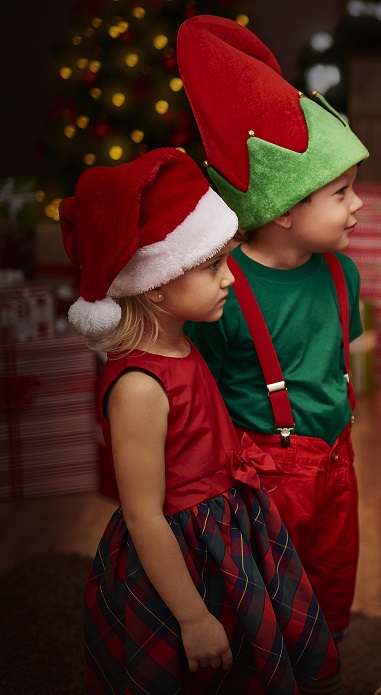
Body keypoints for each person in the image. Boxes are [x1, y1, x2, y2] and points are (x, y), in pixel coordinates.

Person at [62, 148, 341, 693]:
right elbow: (143, 515)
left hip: (225, 532)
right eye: (212, 266)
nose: (230, 279)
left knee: (244, 656)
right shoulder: (140, 387)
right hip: (180, 554)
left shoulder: (184, 346)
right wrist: (190, 616)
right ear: (157, 283)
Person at [175, 15, 369, 640]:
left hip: (337, 462)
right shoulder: (224, 289)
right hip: (263, 477)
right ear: (285, 211)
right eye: (340, 193)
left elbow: (336, 364)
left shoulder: (345, 277)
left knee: (331, 587)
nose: (358, 204)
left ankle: (325, 668)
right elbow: (201, 397)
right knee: (264, 599)